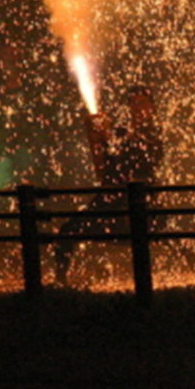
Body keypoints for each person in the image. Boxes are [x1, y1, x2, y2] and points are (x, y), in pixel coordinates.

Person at [56, 85, 165, 286]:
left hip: (141, 203)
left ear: (152, 107)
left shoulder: (154, 133)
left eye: (142, 103)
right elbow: (104, 167)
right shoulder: (121, 131)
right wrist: (97, 136)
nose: (137, 108)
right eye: (133, 103)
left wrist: (109, 138)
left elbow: (145, 159)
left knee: (145, 236)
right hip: (112, 200)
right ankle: (60, 281)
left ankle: (145, 286)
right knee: (67, 230)